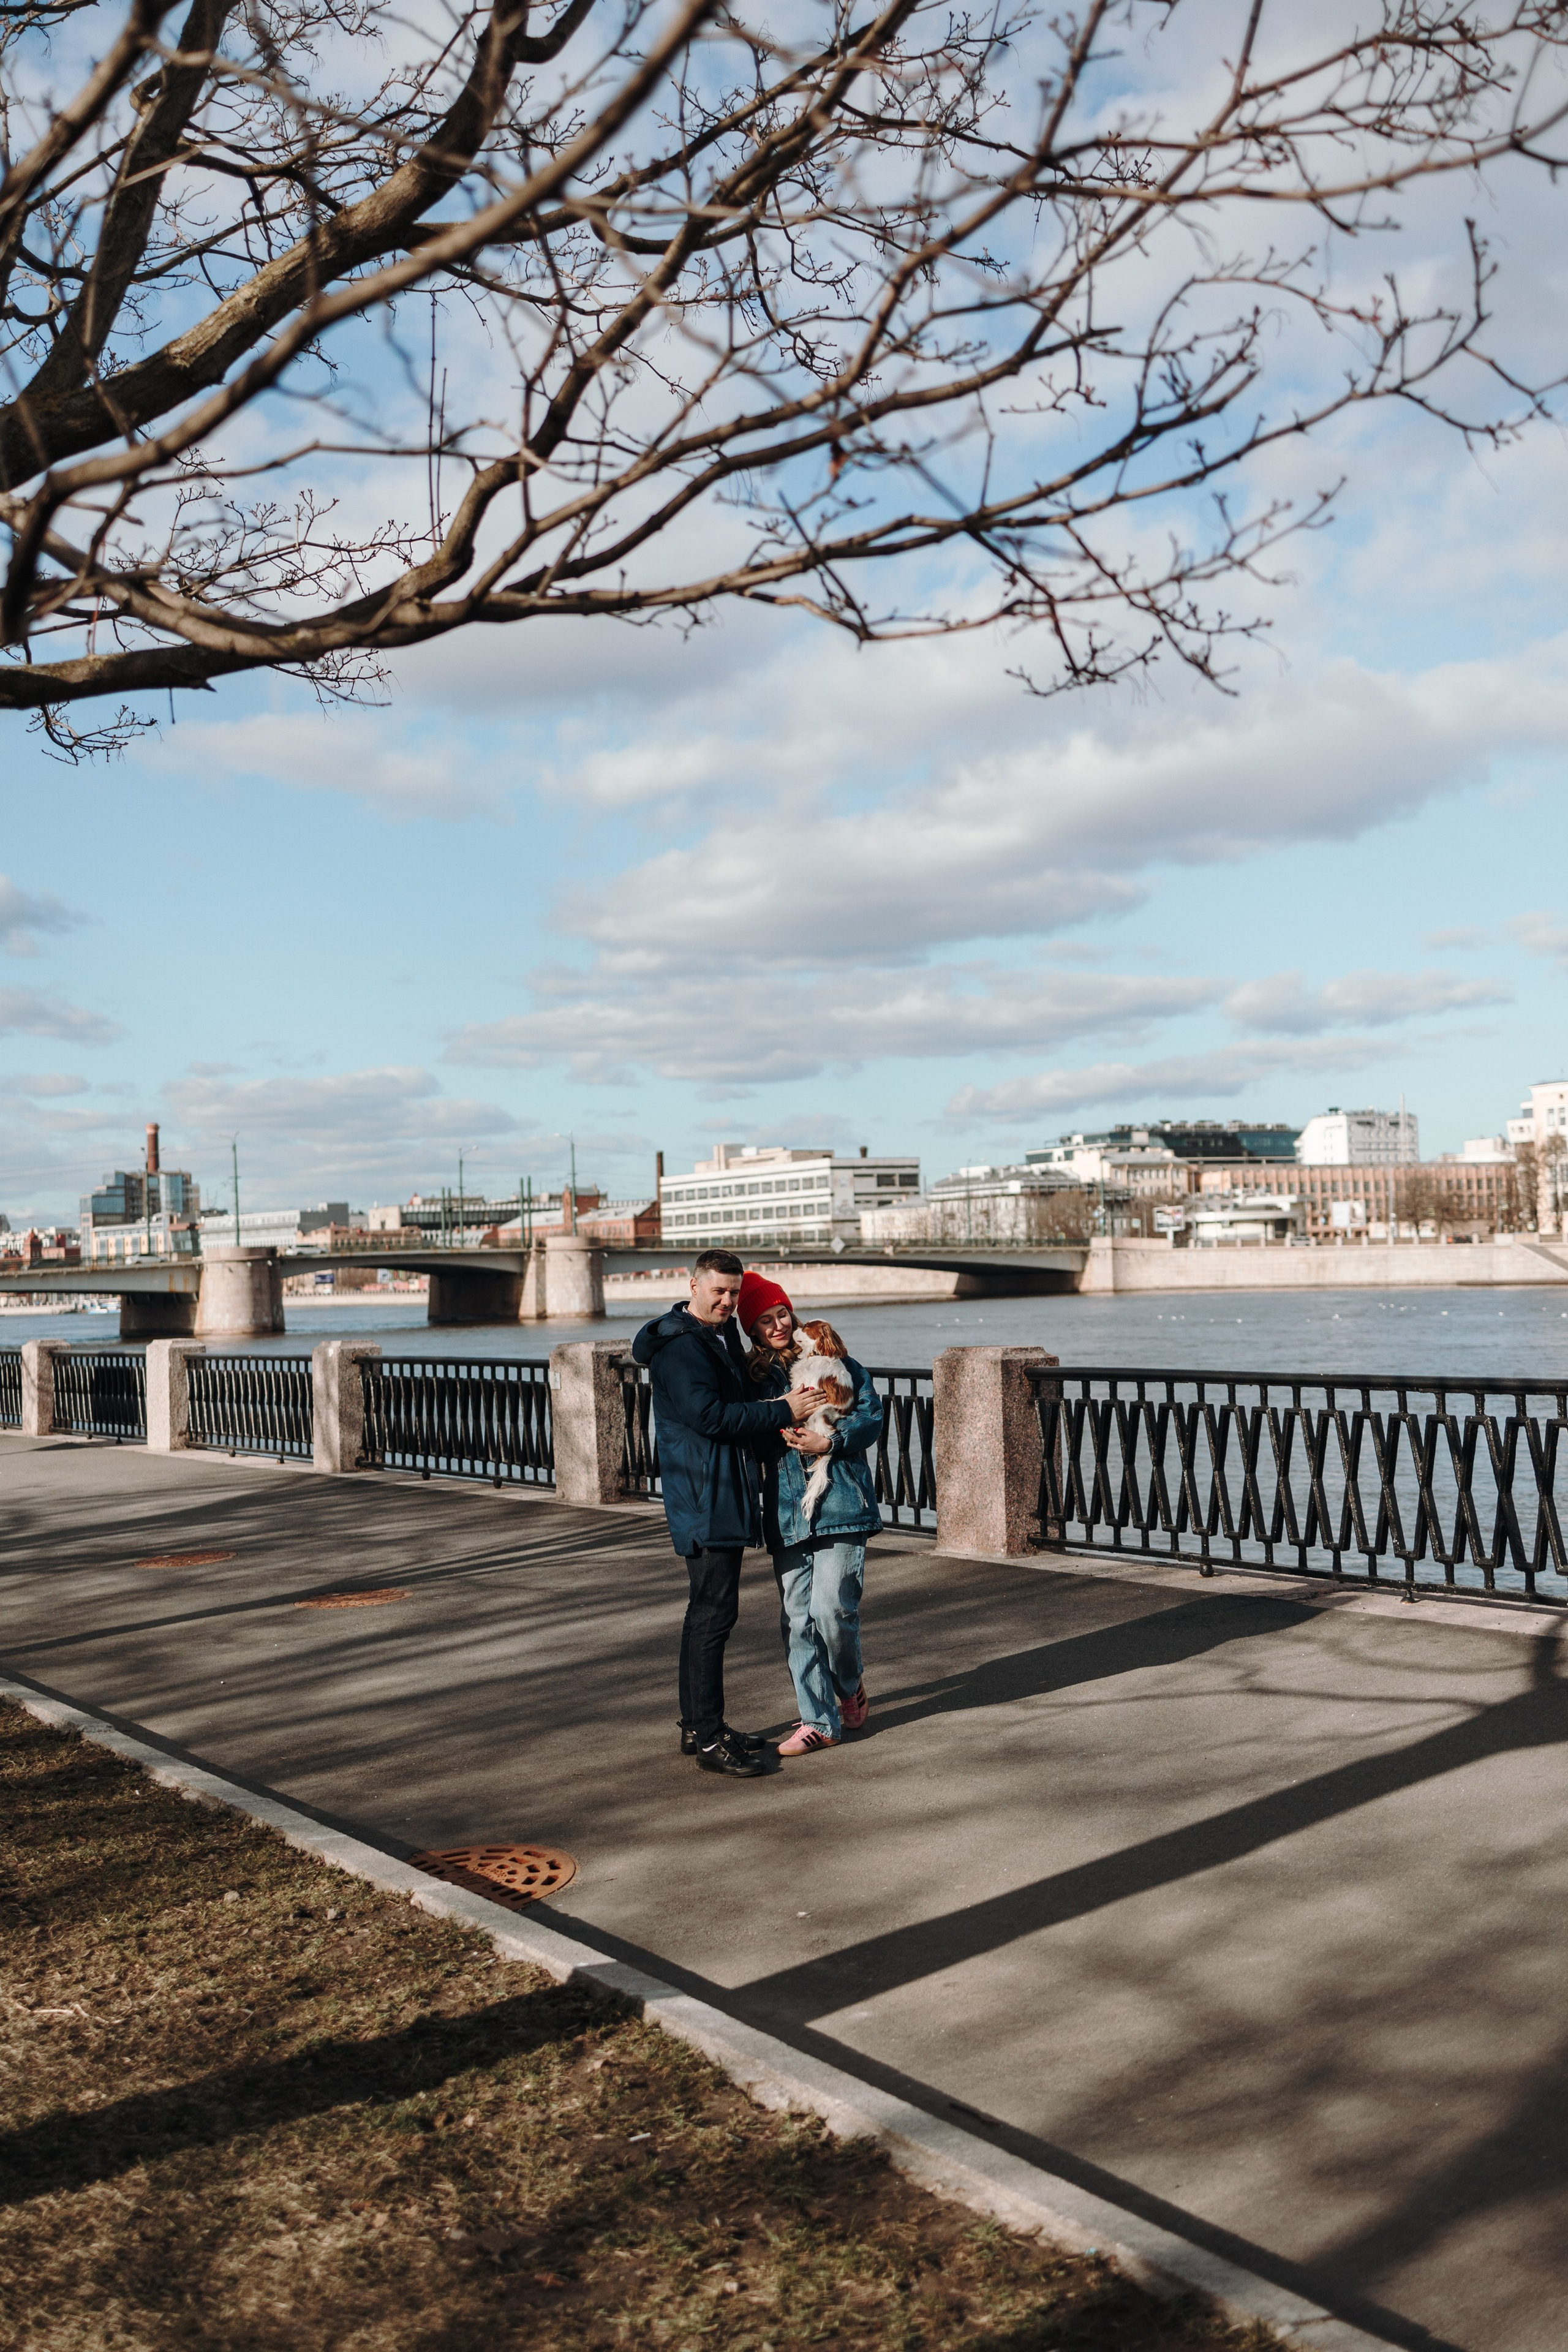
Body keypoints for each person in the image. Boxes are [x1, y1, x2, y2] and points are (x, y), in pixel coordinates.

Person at [631, 1250, 827, 1779]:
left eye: (733, 1293)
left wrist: (782, 1429)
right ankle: (709, 1737)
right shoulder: (681, 1347)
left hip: (717, 1489)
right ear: (691, 1284)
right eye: (717, 1291)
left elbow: (729, 1415)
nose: (726, 1301)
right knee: (712, 1615)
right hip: (705, 1494)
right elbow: (709, 1417)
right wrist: (784, 1409)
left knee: (709, 1612)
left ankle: (699, 1726)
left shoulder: (714, 1339)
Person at [737, 1272, 883, 1754]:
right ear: (752, 1330)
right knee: (797, 1620)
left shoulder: (840, 1363)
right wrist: (782, 1414)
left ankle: (848, 1684)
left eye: (781, 1314)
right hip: (785, 1508)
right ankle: (817, 1722)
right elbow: (750, 1436)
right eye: (764, 1320)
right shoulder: (754, 1379)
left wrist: (831, 1440)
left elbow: (870, 1418)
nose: (777, 1325)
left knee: (832, 1610)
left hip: (840, 1500)